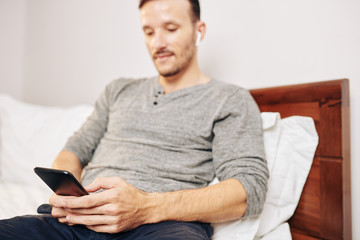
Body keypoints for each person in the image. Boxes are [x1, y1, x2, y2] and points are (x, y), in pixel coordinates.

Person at [0, 0, 268, 239]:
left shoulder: (229, 98)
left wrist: (145, 207)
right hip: (77, 221)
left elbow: (248, 189)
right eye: (149, 32)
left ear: (199, 31)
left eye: (171, 29)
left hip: (161, 226)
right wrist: (69, 194)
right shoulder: (119, 90)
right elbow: (75, 148)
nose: (157, 43)